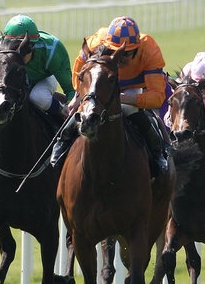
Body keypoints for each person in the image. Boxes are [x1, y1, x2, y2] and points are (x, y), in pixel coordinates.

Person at [51, 16, 170, 179]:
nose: (120, 57)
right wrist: (79, 95)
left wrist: (121, 98)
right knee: (83, 110)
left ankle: (157, 153)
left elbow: (157, 97)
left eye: (126, 53)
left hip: (130, 88)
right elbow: (80, 68)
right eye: (114, 51)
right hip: (100, 82)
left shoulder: (149, 49)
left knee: (129, 110)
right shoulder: (96, 42)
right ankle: (61, 143)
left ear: (137, 48)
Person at [0, 14, 75, 163]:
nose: (19, 53)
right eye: (14, 48)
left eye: (25, 49)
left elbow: (70, 88)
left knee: (38, 97)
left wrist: (70, 107)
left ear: (32, 45)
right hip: (11, 82)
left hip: (42, 79)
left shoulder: (53, 49)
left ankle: (64, 136)